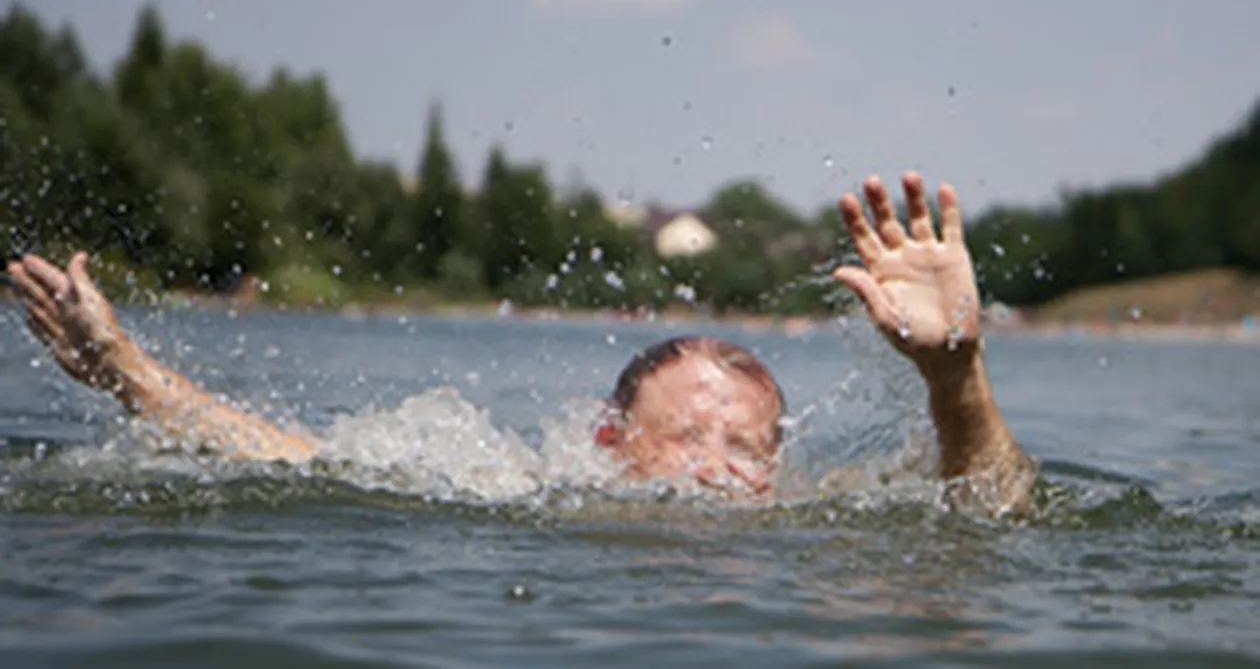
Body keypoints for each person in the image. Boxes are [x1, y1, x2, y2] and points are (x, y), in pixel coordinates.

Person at [4, 172, 1036, 514]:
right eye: (688, 439)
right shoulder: (524, 487)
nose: (719, 471)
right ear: (607, 441)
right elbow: (293, 460)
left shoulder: (811, 513)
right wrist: (127, 372)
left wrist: (957, 373)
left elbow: (994, 506)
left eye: (747, 450)